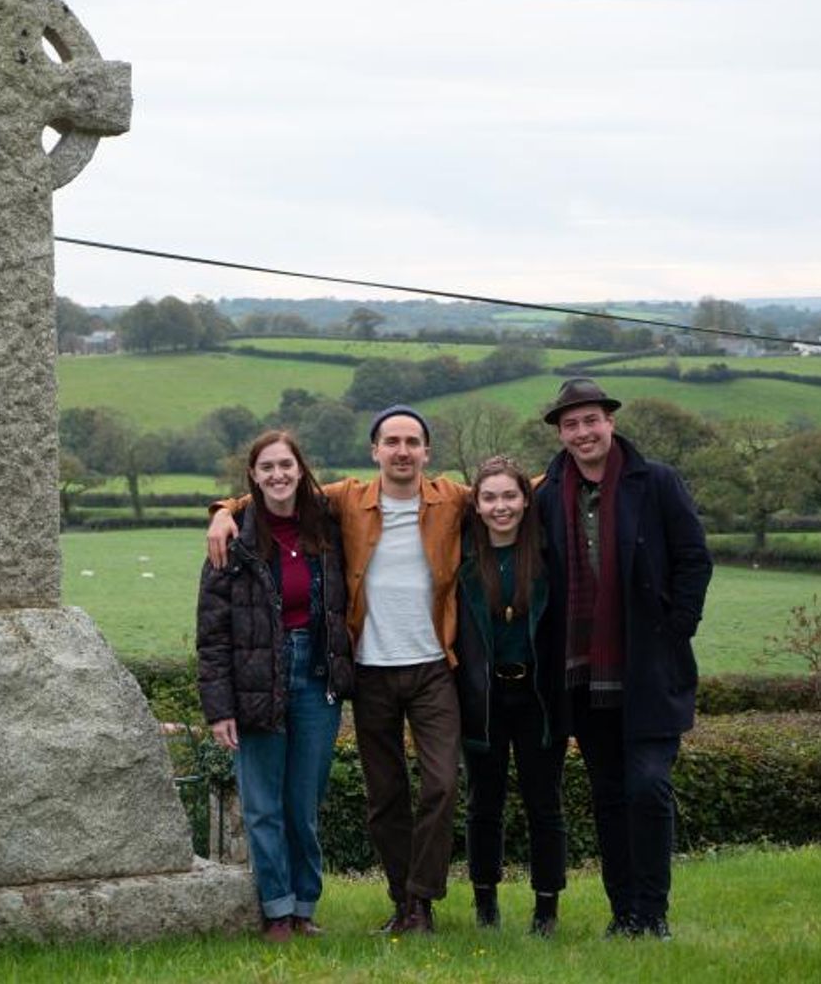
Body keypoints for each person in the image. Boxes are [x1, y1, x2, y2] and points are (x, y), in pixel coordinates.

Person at [208, 405, 473, 934]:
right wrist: (222, 510)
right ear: (374, 450)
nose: (402, 451)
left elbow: (513, 489)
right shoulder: (347, 499)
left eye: (412, 442)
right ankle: (402, 907)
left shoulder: (453, 499)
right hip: (368, 670)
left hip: (429, 667)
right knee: (384, 795)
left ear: (427, 451)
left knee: (441, 783)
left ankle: (419, 899)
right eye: (391, 441)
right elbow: (273, 491)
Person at [535, 378, 712, 940]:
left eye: (592, 420)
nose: (583, 432)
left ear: (610, 422)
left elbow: (694, 559)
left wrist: (673, 629)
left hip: (649, 670)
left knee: (648, 787)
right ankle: (623, 913)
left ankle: (653, 912)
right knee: (609, 795)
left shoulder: (654, 482)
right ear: (560, 434)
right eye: (571, 424)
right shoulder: (547, 494)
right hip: (582, 675)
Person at [196, 430, 356, 942]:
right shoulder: (233, 541)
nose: (278, 475)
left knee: (302, 804)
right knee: (262, 804)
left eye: (286, 465)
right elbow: (213, 632)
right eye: (267, 468)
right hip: (255, 679)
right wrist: (220, 708)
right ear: (253, 476)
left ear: (301, 469)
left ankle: (305, 907)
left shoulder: (329, 527)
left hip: (314, 675)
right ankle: (277, 911)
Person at [454, 455, 567, 937]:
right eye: (490, 497)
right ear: (475, 505)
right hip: (483, 698)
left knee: (545, 803)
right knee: (484, 803)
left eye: (510, 496)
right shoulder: (461, 559)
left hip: (538, 698)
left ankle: (546, 910)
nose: (501, 506)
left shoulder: (546, 555)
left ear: (526, 500)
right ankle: (486, 907)